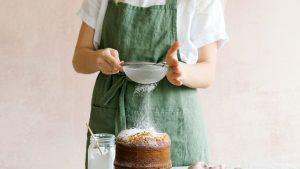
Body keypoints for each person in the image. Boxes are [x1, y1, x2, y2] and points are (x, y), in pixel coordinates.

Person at [73, 0, 228, 168]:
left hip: (177, 125)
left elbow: (208, 72)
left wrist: (181, 71)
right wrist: (97, 59)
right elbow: (79, 59)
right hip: (112, 117)